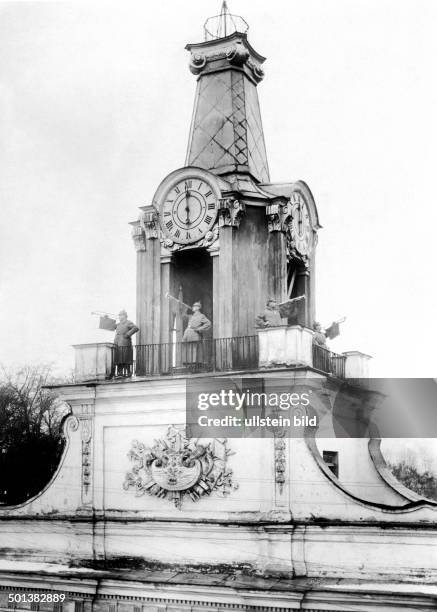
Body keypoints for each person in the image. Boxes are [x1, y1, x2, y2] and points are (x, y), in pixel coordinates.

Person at [182, 302, 211, 367]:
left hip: (195, 334)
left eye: (195, 306)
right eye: (193, 306)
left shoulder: (201, 316)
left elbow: (208, 323)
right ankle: (189, 364)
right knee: (188, 349)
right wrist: (185, 309)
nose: (193, 307)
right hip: (188, 335)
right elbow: (183, 317)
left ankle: (195, 364)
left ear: (198, 308)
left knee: (194, 350)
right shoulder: (191, 316)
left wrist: (199, 329)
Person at [114, 310, 139, 378]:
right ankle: (120, 372)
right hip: (117, 343)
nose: (120, 316)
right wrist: (106, 318)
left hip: (125, 343)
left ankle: (128, 372)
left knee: (126, 358)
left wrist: (128, 334)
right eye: (119, 315)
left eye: (121, 315)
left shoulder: (128, 322)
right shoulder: (118, 324)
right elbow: (110, 327)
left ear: (125, 316)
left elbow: (136, 328)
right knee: (118, 358)